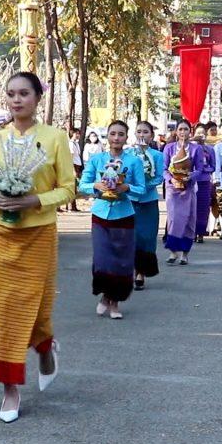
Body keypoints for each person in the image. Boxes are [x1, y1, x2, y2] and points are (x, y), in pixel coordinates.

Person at [0, 71, 76, 423]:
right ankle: (9, 388)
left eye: (23, 94)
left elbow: (68, 188)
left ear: (37, 98)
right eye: (11, 94)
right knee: (1, 311)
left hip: (38, 234)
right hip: (1, 238)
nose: (16, 100)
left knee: (36, 307)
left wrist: (34, 200)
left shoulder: (54, 138)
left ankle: (45, 346)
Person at [79, 121, 145, 318]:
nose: (116, 138)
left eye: (121, 134)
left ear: (126, 138)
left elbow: (141, 189)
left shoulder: (134, 162)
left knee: (122, 261)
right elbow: (83, 185)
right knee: (102, 258)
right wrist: (96, 186)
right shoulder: (96, 159)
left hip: (124, 215)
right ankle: (105, 295)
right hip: (100, 215)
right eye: (113, 134)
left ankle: (114, 302)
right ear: (107, 136)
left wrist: (126, 188)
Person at [128, 121, 165, 290]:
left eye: (145, 132)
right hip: (130, 201)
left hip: (149, 201)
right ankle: (134, 270)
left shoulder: (157, 155)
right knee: (132, 236)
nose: (142, 135)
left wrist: (145, 186)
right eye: (139, 131)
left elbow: (159, 177)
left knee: (147, 238)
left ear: (152, 136)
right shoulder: (128, 154)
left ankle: (142, 272)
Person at [163, 119, 204, 264]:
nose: (182, 132)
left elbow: (200, 169)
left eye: (185, 129)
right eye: (180, 129)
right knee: (174, 219)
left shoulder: (196, 149)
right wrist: (171, 179)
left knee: (189, 220)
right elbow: (164, 168)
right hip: (173, 189)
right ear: (176, 131)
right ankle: (173, 252)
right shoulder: (169, 148)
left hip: (188, 188)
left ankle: (185, 254)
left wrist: (190, 177)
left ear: (190, 131)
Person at [192, 126, 216, 243]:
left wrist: (204, 169)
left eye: (203, 133)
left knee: (203, 208)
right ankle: (192, 232)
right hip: (191, 181)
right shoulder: (189, 148)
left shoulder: (210, 149)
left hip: (205, 181)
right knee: (192, 207)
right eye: (198, 133)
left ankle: (201, 232)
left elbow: (213, 166)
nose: (201, 135)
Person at [68, 128, 83, 212]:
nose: (78, 135)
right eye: (76, 133)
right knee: (72, 186)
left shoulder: (76, 144)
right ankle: (70, 206)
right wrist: (73, 170)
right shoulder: (70, 144)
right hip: (73, 165)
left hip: (77, 165)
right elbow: (70, 157)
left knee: (75, 187)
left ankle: (73, 205)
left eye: (78, 133)